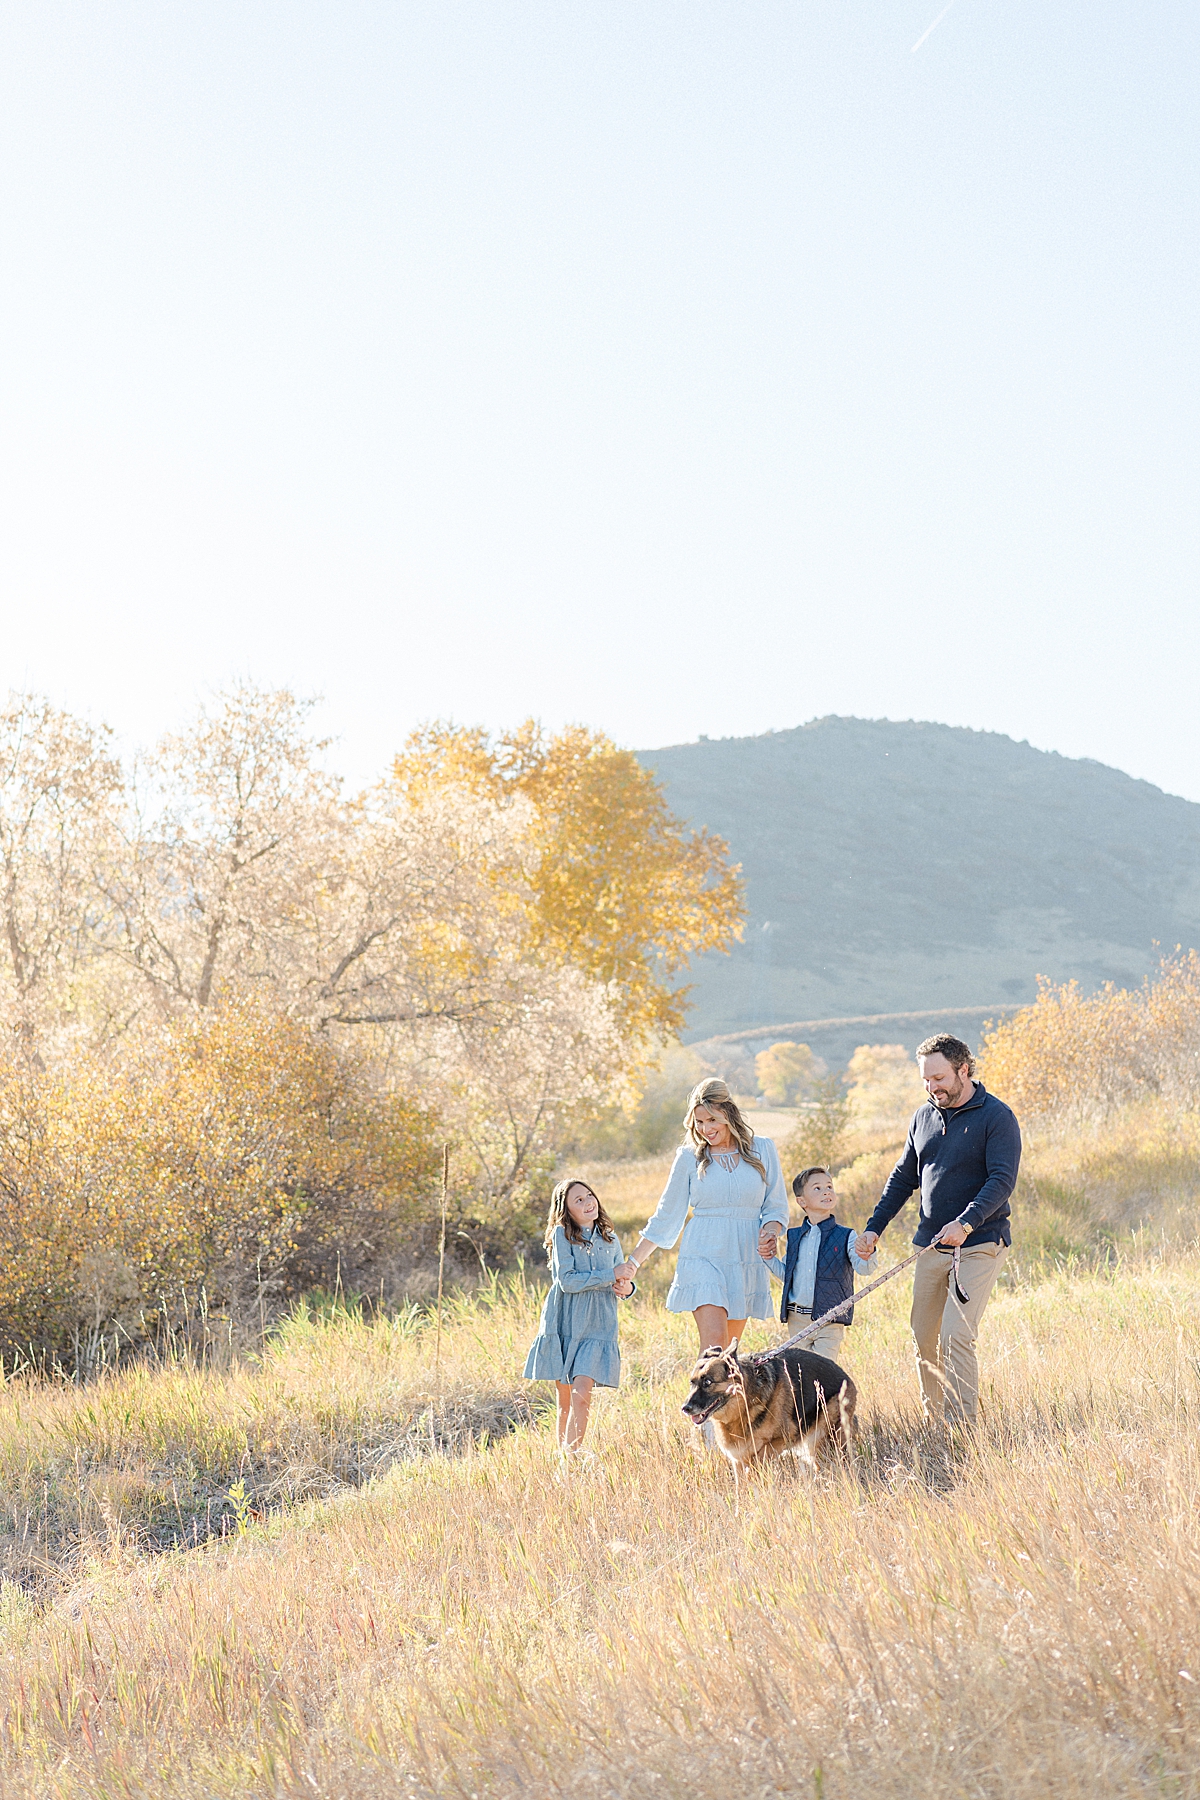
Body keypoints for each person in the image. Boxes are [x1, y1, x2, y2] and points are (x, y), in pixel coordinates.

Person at [856, 1033, 1021, 1427]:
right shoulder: (923, 1116)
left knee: (955, 1336)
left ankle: (963, 1429)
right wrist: (874, 1228)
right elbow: (902, 1178)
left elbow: (1001, 1180)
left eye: (939, 1078)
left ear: (963, 1070)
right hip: (930, 1245)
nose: (932, 1088)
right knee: (924, 1338)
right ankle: (936, 1425)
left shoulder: (997, 1117)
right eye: (926, 1080)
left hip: (980, 1242)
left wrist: (966, 1223)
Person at [614, 1077, 788, 1352]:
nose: (705, 1129)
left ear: (729, 1115)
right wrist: (633, 1264)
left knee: (729, 1356)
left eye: (712, 1120)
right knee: (714, 1346)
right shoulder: (688, 1158)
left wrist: (771, 1232)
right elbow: (666, 1216)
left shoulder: (762, 1149)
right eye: (699, 1122)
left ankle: (716, 1396)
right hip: (703, 1256)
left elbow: (776, 1206)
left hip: (744, 1257)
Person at [523, 1177, 635, 1452]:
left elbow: (623, 1278)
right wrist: (610, 1275)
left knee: (581, 1393)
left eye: (589, 1195)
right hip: (566, 1320)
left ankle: (571, 1458)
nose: (588, 1202)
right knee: (565, 1402)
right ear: (566, 1210)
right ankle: (565, 1466)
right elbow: (568, 1281)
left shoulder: (610, 1237)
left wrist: (626, 1287)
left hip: (599, 1323)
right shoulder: (562, 1234)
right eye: (579, 1200)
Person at [761, 1165, 876, 1358]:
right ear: (801, 1201)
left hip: (829, 1320)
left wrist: (868, 1255)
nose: (826, 1192)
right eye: (817, 1188)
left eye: (829, 1187)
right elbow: (787, 1276)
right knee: (800, 1375)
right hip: (796, 1320)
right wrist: (768, 1258)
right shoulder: (794, 1236)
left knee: (823, 1371)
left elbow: (864, 1268)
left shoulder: (846, 1235)